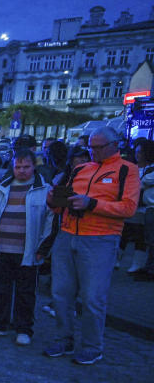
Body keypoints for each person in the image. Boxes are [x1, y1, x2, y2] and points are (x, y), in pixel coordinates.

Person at [44, 126, 140, 364]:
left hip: (100, 239)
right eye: (91, 147)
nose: (93, 152)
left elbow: (128, 208)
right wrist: (53, 201)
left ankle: (92, 346)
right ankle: (64, 338)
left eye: (98, 148)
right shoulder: (80, 169)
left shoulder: (127, 170)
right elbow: (60, 205)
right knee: (61, 293)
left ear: (114, 146)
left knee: (92, 297)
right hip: (68, 234)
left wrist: (91, 204)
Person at [0, 149, 55, 345]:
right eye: (18, 167)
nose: (21, 170)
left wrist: (43, 248)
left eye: (26, 167)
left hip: (27, 251)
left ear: (33, 167)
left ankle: (24, 329)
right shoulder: (0, 189)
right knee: (1, 289)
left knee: (25, 293)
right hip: (2, 248)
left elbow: (50, 222)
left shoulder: (45, 191)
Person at [132, 140, 154, 281]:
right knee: (149, 240)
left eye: (140, 152)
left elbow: (141, 183)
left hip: (151, 208)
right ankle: (148, 267)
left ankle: (150, 270)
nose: (137, 155)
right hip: (148, 208)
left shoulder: (151, 171)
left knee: (151, 240)